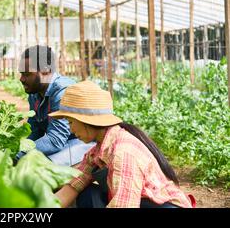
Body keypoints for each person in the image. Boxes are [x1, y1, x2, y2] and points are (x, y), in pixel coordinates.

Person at [50, 80, 195, 208]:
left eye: (70, 122)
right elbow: (74, 186)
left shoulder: (123, 153)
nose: (71, 129)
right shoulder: (97, 151)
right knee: (87, 193)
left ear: (86, 120)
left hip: (162, 206)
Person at [16, 45, 95, 166]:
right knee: (27, 163)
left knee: (42, 168)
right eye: (21, 74)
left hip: (83, 143)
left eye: (26, 74)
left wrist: (20, 155)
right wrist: (16, 150)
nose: (21, 79)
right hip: (63, 145)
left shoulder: (63, 91)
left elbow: (55, 140)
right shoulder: (35, 94)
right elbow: (34, 131)